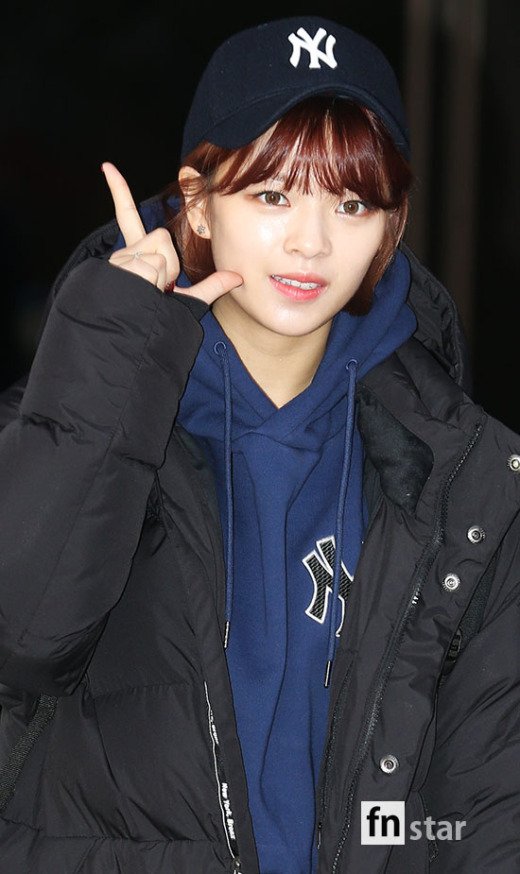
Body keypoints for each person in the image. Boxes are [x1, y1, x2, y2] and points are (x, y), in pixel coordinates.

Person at [0, 13, 518, 874]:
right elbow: (21, 640)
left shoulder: (465, 476)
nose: (312, 242)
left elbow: (485, 807)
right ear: (199, 202)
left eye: (351, 203)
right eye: (273, 195)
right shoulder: (89, 412)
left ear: (390, 227)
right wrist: (118, 346)